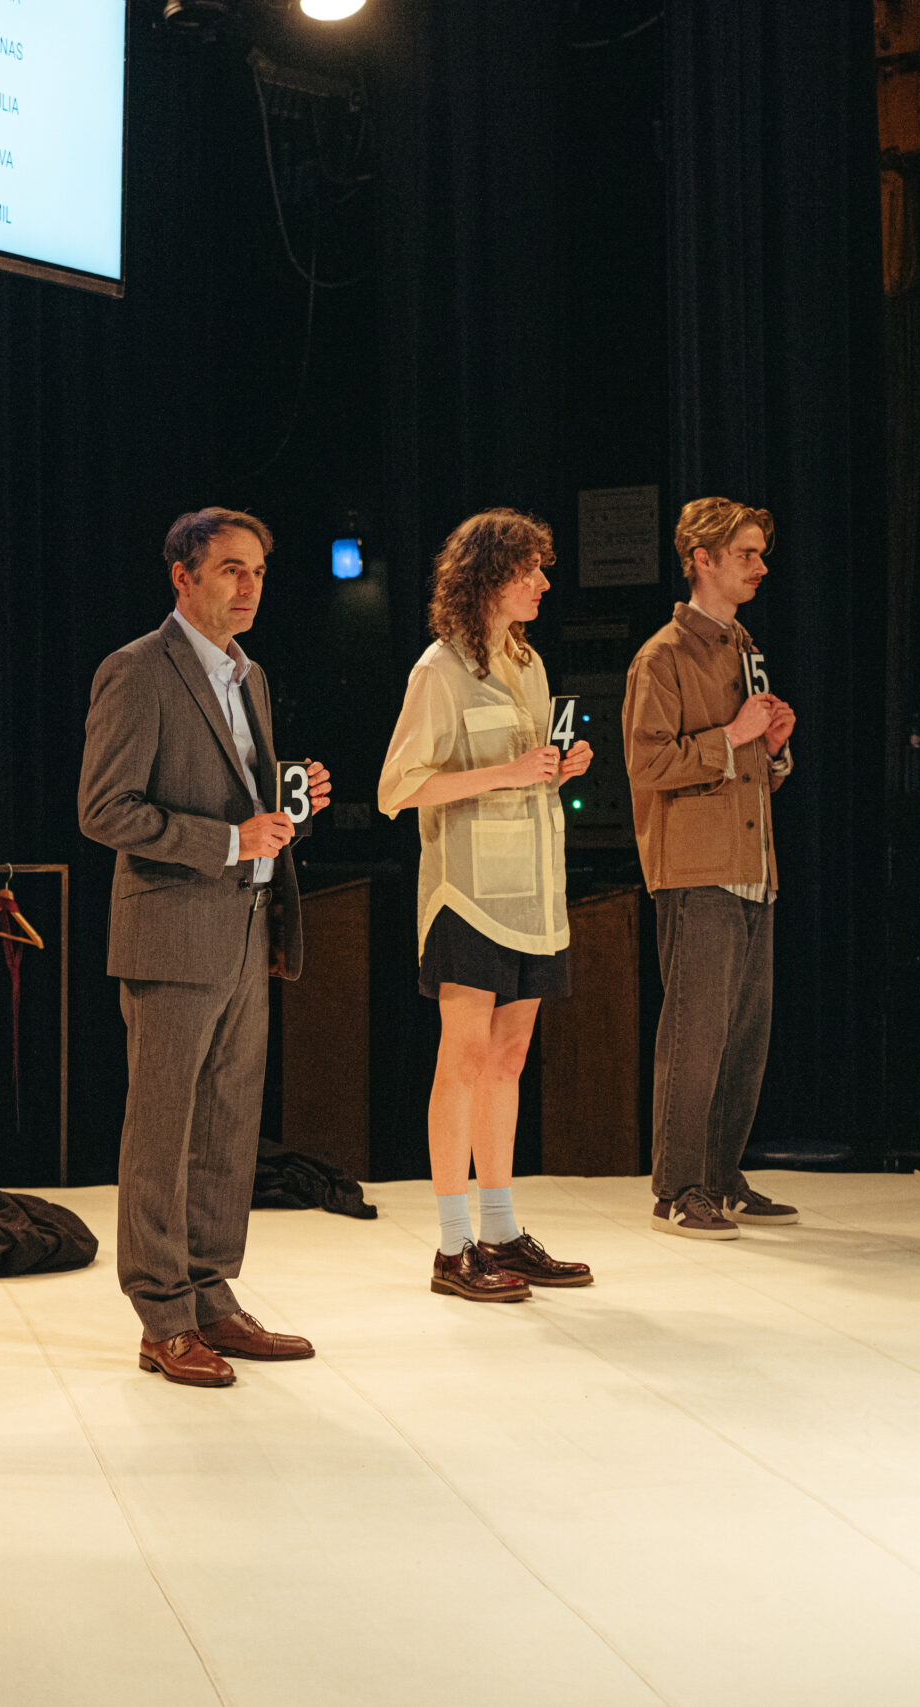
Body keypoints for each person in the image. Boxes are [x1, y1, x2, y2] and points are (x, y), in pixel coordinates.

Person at [78, 507, 331, 1387]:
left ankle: (212, 1294)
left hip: (246, 924)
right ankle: (162, 1315)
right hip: (172, 929)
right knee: (163, 1128)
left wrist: (292, 807)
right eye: (230, 568)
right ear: (182, 577)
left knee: (228, 1123)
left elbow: (246, 806)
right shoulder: (137, 670)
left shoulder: (248, 676)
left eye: (257, 569)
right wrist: (228, 840)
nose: (249, 585)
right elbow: (104, 809)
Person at [376, 509, 596, 1303]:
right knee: (464, 1058)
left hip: (533, 890)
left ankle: (500, 1229)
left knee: (509, 1058)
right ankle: (451, 1246)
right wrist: (505, 773)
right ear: (488, 577)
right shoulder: (440, 669)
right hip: (468, 893)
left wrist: (559, 768)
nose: (542, 583)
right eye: (528, 569)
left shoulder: (526, 662)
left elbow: (525, 767)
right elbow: (397, 788)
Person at [623, 496, 799, 1239]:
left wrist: (773, 749)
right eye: (746, 554)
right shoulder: (663, 655)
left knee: (744, 1036)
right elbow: (647, 764)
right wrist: (731, 734)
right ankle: (677, 1189)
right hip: (697, 869)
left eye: (761, 553)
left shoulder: (742, 646)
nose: (760, 566)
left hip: (751, 863)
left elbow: (748, 766)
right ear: (703, 559)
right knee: (695, 1033)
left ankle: (722, 1179)